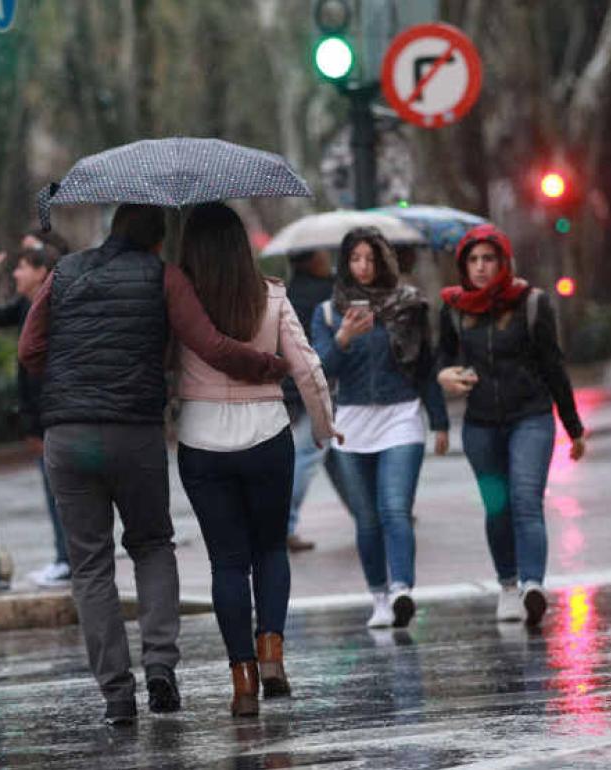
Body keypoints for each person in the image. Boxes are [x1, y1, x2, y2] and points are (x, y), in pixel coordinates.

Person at [18, 204, 290, 727]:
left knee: (90, 566)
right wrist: (269, 366)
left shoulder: (64, 272)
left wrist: (74, 375)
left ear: (112, 229)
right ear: (159, 240)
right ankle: (160, 666)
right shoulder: (162, 276)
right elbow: (207, 344)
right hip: (132, 434)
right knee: (150, 545)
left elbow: (31, 349)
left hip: (69, 436)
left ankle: (117, 695)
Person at [173, 204, 339, 718]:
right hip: (267, 435)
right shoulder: (271, 294)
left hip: (202, 442)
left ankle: (241, 680)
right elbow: (307, 367)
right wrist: (322, 425)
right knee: (270, 551)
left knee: (227, 562)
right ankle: (272, 658)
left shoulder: (180, 303)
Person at [436, 223, 586, 628]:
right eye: (473, 260)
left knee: (525, 500)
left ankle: (532, 585)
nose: (481, 267)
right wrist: (444, 376)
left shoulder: (532, 303)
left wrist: (573, 427)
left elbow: (554, 366)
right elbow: (440, 360)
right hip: (480, 426)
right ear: (463, 266)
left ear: (504, 262)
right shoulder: (453, 309)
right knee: (497, 508)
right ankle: (507, 586)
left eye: (489, 259)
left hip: (531, 418)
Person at [310, 227, 449, 630]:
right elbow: (319, 370)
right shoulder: (328, 313)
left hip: (401, 417)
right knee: (367, 519)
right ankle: (379, 598)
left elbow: (425, 367)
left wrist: (438, 420)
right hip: (351, 423)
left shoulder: (409, 305)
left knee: (394, 508)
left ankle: (402, 588)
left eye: (371, 259)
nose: (364, 267)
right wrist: (343, 338)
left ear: (384, 261)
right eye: (355, 259)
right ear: (345, 263)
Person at [0, 243, 70, 588]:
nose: (15, 274)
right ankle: (65, 557)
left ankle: (67, 559)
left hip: (53, 415)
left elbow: (41, 373)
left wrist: (36, 420)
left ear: (40, 273)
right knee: (54, 491)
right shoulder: (23, 306)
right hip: (40, 418)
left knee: (61, 492)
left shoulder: (55, 309)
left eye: (21, 267)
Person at [282, 249, 339, 553]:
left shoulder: (290, 291)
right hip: (316, 387)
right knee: (307, 456)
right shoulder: (322, 293)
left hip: (295, 386)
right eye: (321, 254)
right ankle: (283, 525)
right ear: (311, 260)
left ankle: (370, 514)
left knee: (334, 454)